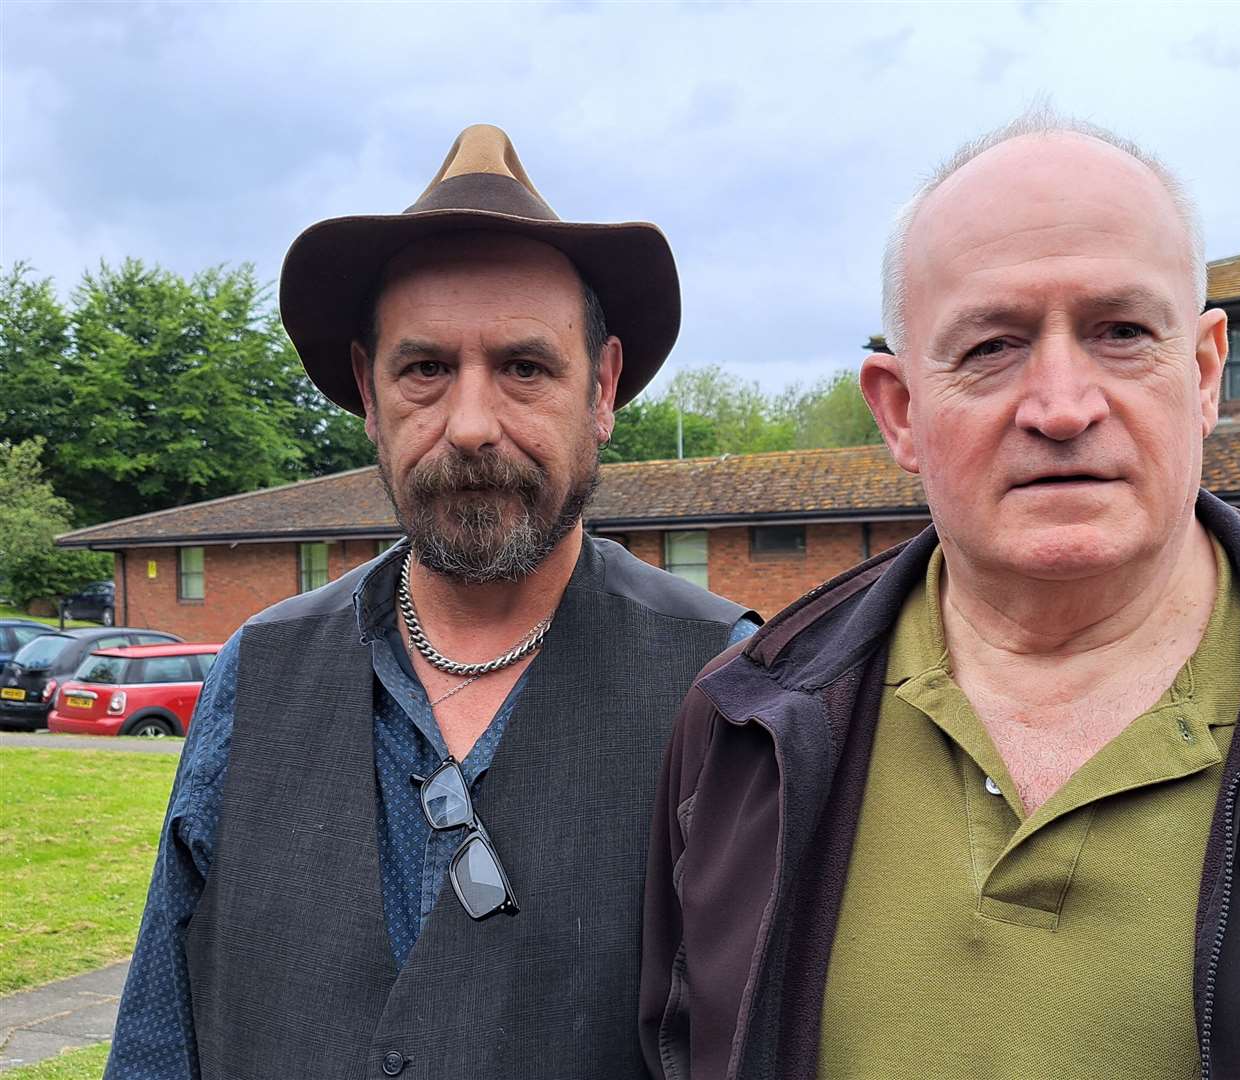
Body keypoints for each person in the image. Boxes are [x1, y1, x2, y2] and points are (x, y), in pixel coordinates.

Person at [639, 107, 1240, 1079]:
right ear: (899, 410)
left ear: (1204, 373)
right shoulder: (741, 732)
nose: (1064, 406)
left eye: (1120, 332)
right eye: (990, 346)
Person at [106, 124, 756, 1080]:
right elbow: (163, 1025)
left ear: (604, 387)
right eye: (426, 370)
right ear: (369, 391)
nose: (471, 425)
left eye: (525, 368)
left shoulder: (723, 681)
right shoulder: (261, 667)